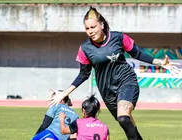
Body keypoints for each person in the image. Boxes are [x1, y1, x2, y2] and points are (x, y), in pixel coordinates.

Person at [48, 7, 182, 140]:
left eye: (93, 27)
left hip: (126, 82)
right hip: (107, 91)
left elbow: (137, 53)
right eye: (87, 28)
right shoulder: (85, 48)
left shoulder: (118, 37)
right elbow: (84, 74)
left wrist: (160, 62)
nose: (90, 31)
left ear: (101, 24)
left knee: (123, 117)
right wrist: (65, 93)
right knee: (127, 123)